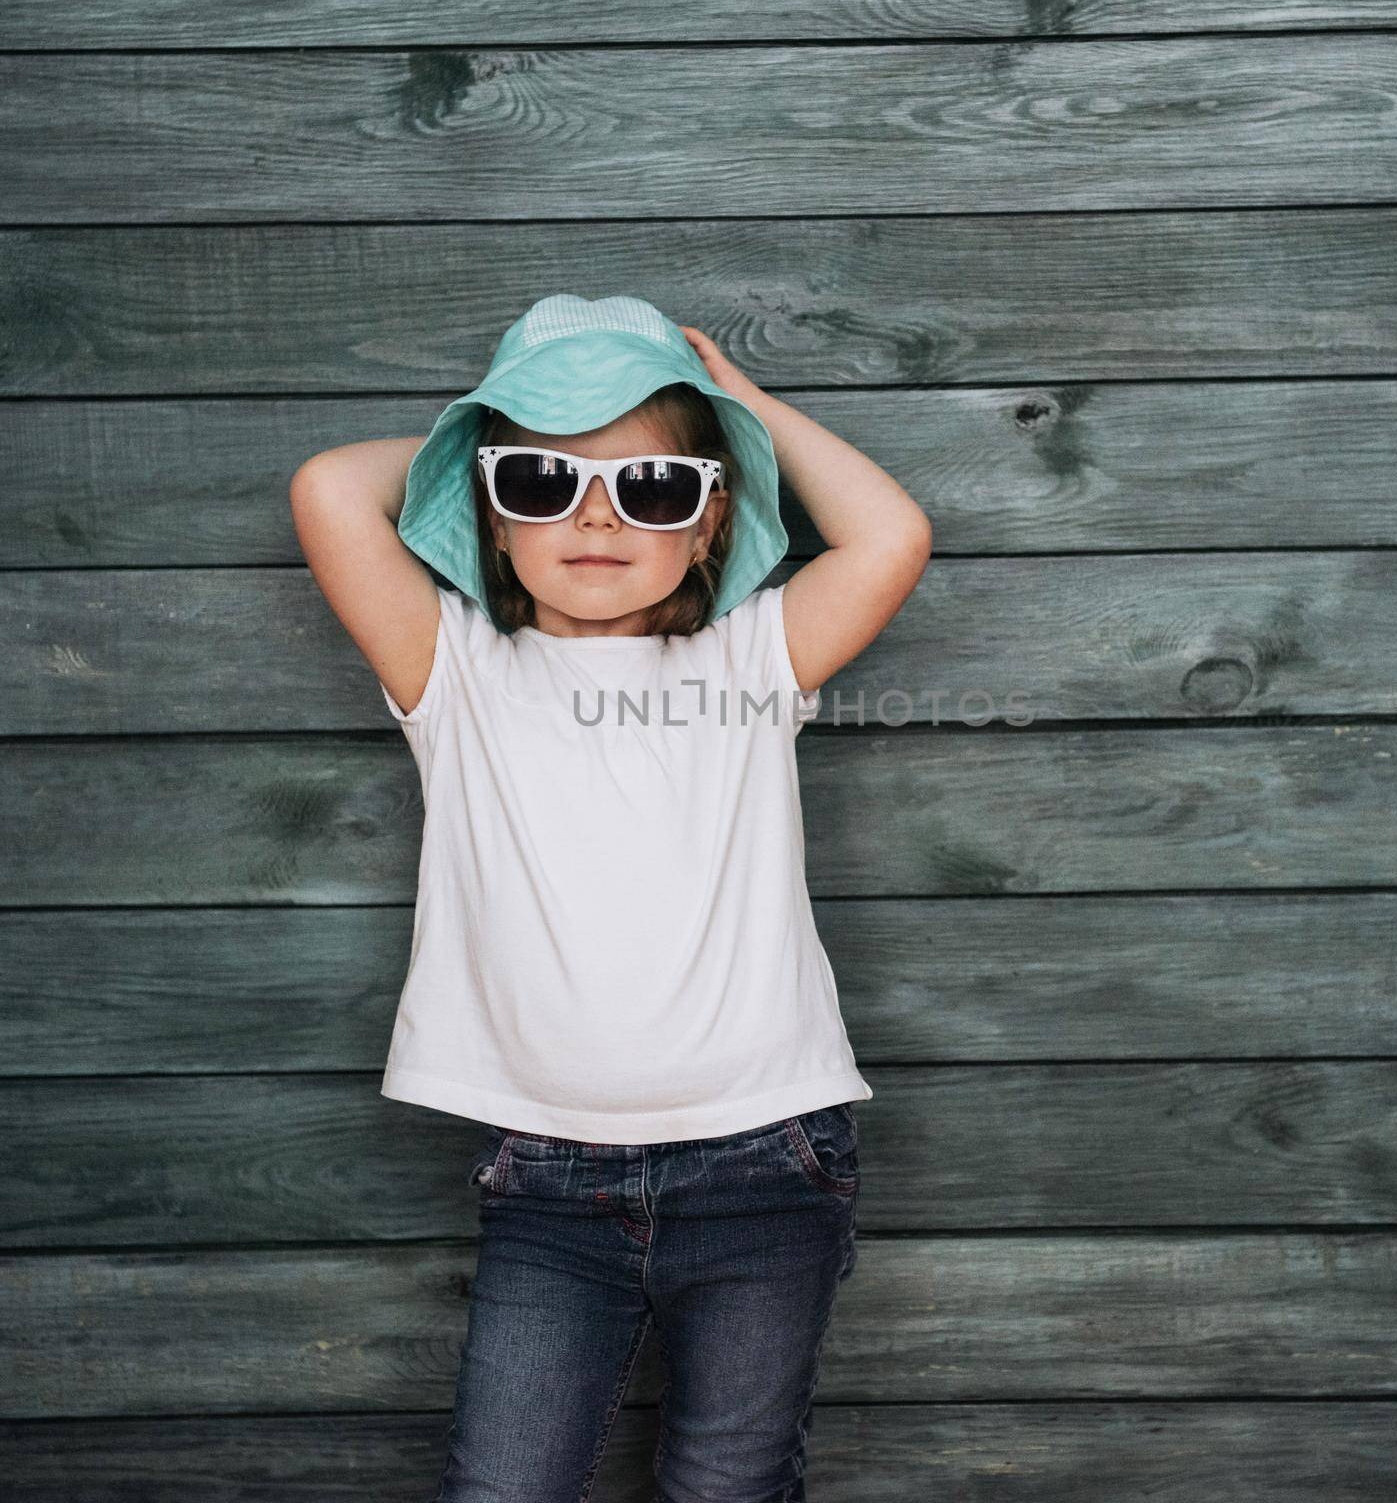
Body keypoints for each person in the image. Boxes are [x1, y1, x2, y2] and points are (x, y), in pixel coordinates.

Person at [289, 293, 932, 1502]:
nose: (594, 516)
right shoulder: (457, 675)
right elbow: (331, 488)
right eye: (541, 482)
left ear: (707, 524)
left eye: (651, 488)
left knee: (728, 1484)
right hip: (548, 1183)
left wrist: (749, 418)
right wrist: (481, 435)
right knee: (504, 1486)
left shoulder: (748, 662)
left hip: (768, 1159)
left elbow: (889, 534)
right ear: (488, 514)